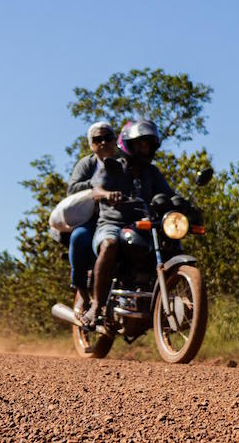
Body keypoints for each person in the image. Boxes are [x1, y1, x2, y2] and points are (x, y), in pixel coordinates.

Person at [82, 119, 175, 333]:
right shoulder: (113, 167)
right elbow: (96, 190)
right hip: (112, 224)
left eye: (148, 144)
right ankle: (96, 305)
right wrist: (107, 194)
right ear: (129, 145)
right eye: (140, 144)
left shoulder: (152, 173)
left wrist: (183, 204)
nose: (145, 148)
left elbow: (169, 194)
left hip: (142, 226)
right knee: (110, 245)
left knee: (169, 244)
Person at [64, 122, 118, 318]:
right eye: (97, 139)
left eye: (107, 138)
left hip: (120, 217)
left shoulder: (125, 162)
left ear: (115, 140)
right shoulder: (87, 164)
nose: (103, 142)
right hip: (92, 218)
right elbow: (72, 189)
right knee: (79, 238)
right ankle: (81, 288)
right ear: (91, 144)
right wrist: (95, 186)